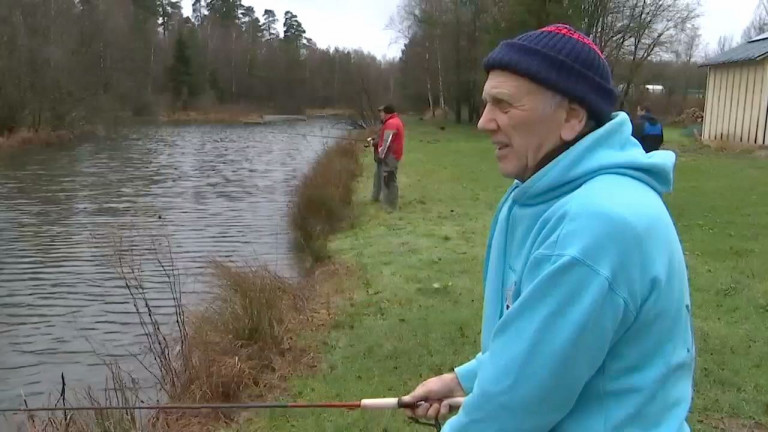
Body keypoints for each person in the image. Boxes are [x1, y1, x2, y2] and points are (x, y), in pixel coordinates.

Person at [400, 24, 695, 431]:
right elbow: (536, 348)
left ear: (572, 116)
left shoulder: (596, 226)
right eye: (487, 103)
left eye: (504, 105)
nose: (485, 122)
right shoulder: (547, 195)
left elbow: (512, 411)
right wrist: (462, 380)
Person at [368, 104, 404, 210]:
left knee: (389, 180)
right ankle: (388, 203)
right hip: (391, 155)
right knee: (386, 179)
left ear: (386, 113)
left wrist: (381, 155)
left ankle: (391, 206)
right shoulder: (392, 121)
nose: (380, 114)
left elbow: (386, 141)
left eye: (381, 112)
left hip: (390, 156)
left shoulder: (391, 123)